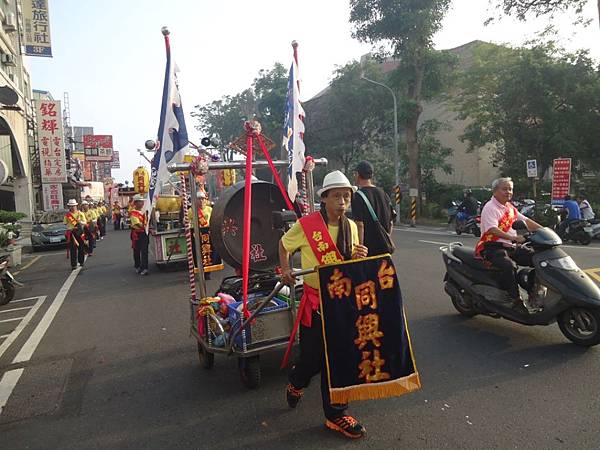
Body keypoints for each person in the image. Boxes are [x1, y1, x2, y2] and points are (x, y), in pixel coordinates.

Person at [279, 170, 369, 439]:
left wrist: (358, 255)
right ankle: (297, 380)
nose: (342, 201)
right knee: (312, 359)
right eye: (337, 196)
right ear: (325, 199)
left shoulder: (352, 227)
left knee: (339, 358)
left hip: (341, 303)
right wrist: (285, 269)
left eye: (346, 196)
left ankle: (336, 414)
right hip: (316, 302)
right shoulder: (307, 226)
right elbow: (284, 246)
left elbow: (349, 264)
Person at [476, 177, 542, 312]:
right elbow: (492, 230)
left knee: (539, 259)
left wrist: (544, 230)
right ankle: (514, 299)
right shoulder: (490, 207)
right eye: (504, 189)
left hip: (511, 246)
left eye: (510, 189)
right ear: (495, 191)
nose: (508, 192)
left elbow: (526, 221)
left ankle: (533, 292)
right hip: (492, 246)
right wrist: (513, 237)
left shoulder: (510, 208)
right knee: (508, 265)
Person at [351, 160, 395, 256]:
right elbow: (391, 222)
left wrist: (360, 248)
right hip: (384, 248)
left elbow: (360, 225)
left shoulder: (357, 196)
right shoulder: (383, 193)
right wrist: (386, 238)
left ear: (358, 174)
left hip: (368, 250)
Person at [63, 199, 87, 270]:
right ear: (69, 207)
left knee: (81, 247)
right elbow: (65, 224)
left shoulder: (80, 214)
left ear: (76, 206)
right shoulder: (67, 215)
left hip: (79, 232)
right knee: (73, 249)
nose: (72, 207)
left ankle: (81, 261)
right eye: (71, 206)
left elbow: (85, 222)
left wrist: (80, 222)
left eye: (73, 206)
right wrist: (69, 228)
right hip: (71, 233)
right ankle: (73, 265)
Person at [130, 194, 149, 275]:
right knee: (137, 251)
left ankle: (145, 268)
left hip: (144, 233)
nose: (142, 203)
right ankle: (137, 266)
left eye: (142, 201)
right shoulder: (133, 213)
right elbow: (138, 224)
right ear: (136, 203)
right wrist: (146, 226)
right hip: (137, 234)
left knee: (144, 251)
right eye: (140, 202)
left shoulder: (144, 211)